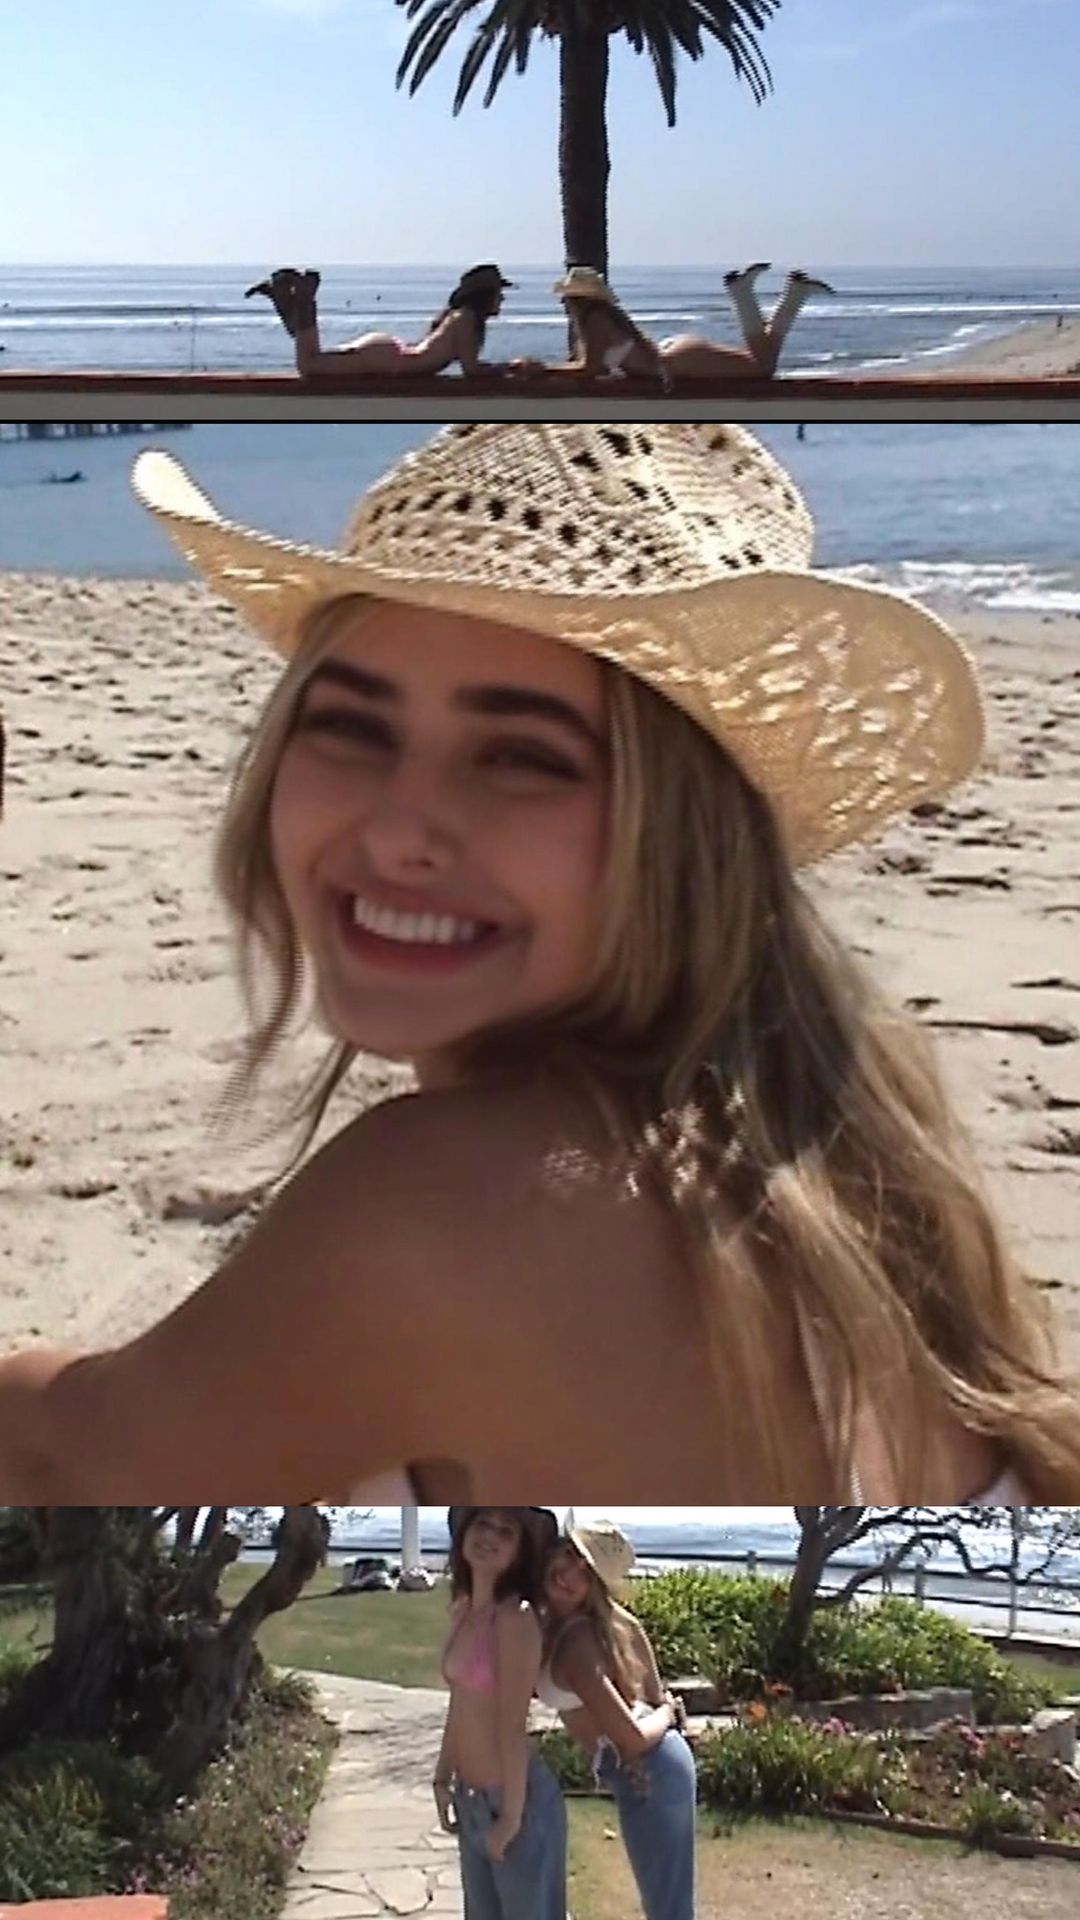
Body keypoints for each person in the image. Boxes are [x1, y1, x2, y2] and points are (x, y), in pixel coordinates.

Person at [2, 422, 1079, 1501]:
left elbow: (62, 1455)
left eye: (523, 756)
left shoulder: (454, 1206)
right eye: (353, 728)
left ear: (684, 831)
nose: (399, 831)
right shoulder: (837, 1143)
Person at [538, 1519, 695, 1920]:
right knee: (668, 1904)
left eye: (586, 1573)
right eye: (570, 1556)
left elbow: (632, 1737)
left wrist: (667, 1712)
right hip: (651, 1765)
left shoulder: (577, 1643)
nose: (569, 1574)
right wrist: (664, 1711)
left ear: (595, 1587)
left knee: (668, 1908)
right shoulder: (579, 1624)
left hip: (650, 1765)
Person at [436, 1506, 566, 1920]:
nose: (489, 1535)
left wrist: (510, 1818)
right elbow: (459, 1704)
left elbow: (512, 1725)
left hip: (514, 1803)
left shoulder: (517, 1618)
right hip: (472, 1800)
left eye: (506, 1531)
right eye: (482, 1524)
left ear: (520, 1552)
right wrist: (442, 1777)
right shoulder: (463, 1611)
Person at [511, 263, 831, 384]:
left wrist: (542, 369)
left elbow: (589, 369)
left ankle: (746, 293)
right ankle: (791, 293)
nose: (563, 303)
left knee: (761, 368)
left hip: (675, 360)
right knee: (761, 364)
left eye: (566, 298)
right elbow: (595, 365)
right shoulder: (603, 318)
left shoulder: (593, 322)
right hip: (673, 355)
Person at [245, 263, 515, 378]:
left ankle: (283, 296)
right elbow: (471, 369)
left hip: (390, 354)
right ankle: (303, 298)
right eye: (498, 294)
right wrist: (513, 368)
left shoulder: (457, 316)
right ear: (485, 295)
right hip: (389, 360)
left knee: (313, 361)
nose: (501, 300)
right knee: (310, 365)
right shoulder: (466, 318)